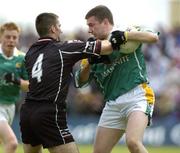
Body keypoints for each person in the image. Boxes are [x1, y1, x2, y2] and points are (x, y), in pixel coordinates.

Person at [19, 12, 135, 153]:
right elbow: (107, 47)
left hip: (27, 113)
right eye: (59, 26)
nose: (61, 30)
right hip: (49, 113)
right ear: (53, 29)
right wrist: (123, 36)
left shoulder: (31, 52)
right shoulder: (62, 48)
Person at [75, 5, 159, 153]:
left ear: (105, 22)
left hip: (137, 96)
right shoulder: (94, 48)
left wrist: (126, 36)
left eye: (91, 25)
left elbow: (154, 37)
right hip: (112, 104)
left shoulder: (127, 31)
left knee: (133, 142)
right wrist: (89, 61)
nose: (89, 30)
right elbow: (80, 82)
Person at [0, 22, 29, 153]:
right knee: (12, 143)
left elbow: (29, 87)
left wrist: (15, 80)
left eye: (14, 37)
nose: (11, 40)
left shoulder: (22, 58)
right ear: (1, 37)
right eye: (7, 37)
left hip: (10, 106)